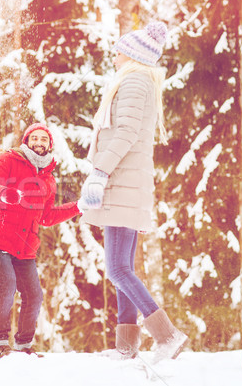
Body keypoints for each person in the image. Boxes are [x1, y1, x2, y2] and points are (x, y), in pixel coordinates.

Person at [78, 22, 188, 362]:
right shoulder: (134, 80)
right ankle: (126, 347)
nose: (114, 54)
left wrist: (100, 171)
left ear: (133, 54)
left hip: (122, 182)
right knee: (122, 266)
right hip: (124, 184)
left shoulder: (135, 80)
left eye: (119, 49)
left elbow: (125, 133)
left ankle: (167, 336)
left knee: (117, 269)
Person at [0, 123, 81, 360]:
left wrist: (77, 207)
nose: (38, 142)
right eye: (34, 138)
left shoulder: (48, 179)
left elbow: (46, 216)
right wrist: (4, 193)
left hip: (25, 244)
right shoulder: (8, 159)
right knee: (7, 285)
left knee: (34, 295)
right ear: (26, 141)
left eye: (43, 139)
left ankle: (23, 346)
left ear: (49, 145)